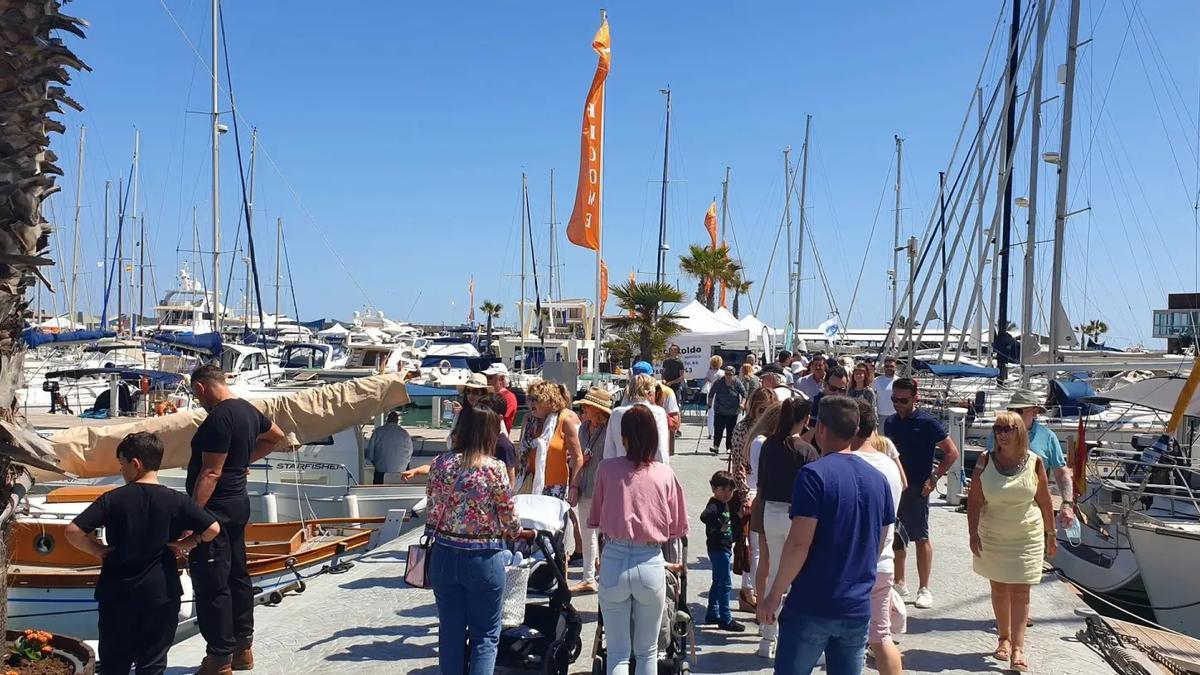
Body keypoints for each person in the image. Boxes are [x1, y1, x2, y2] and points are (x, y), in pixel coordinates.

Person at [758, 397, 895, 673]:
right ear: (857, 428)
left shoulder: (813, 475)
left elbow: (799, 543)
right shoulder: (878, 479)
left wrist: (774, 594)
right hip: (856, 605)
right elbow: (878, 542)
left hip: (813, 602)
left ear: (819, 428)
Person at [66, 432, 221, 675]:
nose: (121, 471)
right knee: (152, 663)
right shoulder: (176, 500)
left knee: (114, 663)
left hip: (117, 592)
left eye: (122, 465)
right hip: (161, 592)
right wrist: (187, 543)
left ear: (135, 464)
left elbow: (73, 531)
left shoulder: (113, 499)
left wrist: (99, 550)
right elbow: (212, 529)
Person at [187, 364, 285, 674]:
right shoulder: (247, 410)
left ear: (201, 387)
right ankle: (243, 649)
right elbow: (276, 437)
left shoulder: (219, 417)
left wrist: (193, 517)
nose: (197, 400)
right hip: (238, 503)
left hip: (215, 507)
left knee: (212, 581)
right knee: (237, 575)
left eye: (195, 394)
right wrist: (242, 461)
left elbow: (210, 472)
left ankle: (219, 658)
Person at [589, 405, 689, 675]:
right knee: (647, 653)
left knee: (618, 654)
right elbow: (677, 526)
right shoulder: (665, 474)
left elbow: (595, 517)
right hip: (650, 560)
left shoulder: (606, 470)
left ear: (624, 438)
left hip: (614, 558)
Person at [427, 407, 523, 675]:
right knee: (485, 636)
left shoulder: (439, 464)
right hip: (483, 557)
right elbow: (509, 517)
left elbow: (432, 512)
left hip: (444, 554)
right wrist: (518, 531)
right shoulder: (494, 468)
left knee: (450, 633)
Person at [968, 410, 1057, 673]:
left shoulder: (1035, 462)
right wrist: (972, 533)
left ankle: (1018, 647)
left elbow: (1044, 500)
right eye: (998, 428)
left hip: (1026, 534)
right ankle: (1003, 639)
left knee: (1021, 590)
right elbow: (974, 500)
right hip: (993, 533)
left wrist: (1051, 535)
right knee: (999, 588)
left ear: (1020, 432)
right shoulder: (985, 460)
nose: (1002, 433)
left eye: (1007, 429)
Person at [884, 377, 961, 610]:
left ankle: (924, 588)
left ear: (915, 398)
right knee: (896, 534)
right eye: (894, 399)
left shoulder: (928, 422)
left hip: (919, 485)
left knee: (921, 536)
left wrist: (934, 478)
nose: (898, 404)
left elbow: (952, 452)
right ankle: (899, 581)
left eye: (903, 400)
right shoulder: (890, 423)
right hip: (896, 485)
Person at [753, 397, 820, 658]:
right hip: (796, 516)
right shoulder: (807, 451)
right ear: (805, 420)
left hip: (771, 511)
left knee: (775, 574)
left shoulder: (769, 444)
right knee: (794, 577)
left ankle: (767, 638)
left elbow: (761, 484)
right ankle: (792, 639)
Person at [851, 401, 906, 675]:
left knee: (844, 640)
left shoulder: (846, 462)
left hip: (848, 566)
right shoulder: (890, 465)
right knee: (881, 636)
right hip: (883, 561)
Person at [993, 390, 1077, 527]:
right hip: (998, 514)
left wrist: (1067, 504)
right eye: (1011, 410)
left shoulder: (1048, 437)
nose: (1014, 414)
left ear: (1034, 412)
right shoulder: (998, 435)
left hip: (1034, 514)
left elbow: (1061, 473)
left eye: (1019, 410)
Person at [731, 388, 776, 611]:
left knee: (759, 547)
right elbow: (738, 463)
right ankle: (750, 592)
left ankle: (750, 591)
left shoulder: (774, 429)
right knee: (753, 547)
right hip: (750, 490)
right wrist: (743, 494)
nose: (763, 413)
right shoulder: (743, 428)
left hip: (769, 490)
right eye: (761, 408)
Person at [568, 387, 612, 594]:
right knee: (588, 534)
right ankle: (588, 577)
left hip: (606, 487)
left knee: (606, 534)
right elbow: (578, 459)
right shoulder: (583, 429)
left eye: (587, 406)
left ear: (598, 410)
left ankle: (606, 576)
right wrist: (574, 484)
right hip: (586, 485)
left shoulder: (612, 429)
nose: (583, 409)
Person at [516, 379, 584, 499]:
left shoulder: (564, 422)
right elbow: (521, 454)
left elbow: (578, 457)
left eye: (535, 399)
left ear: (549, 401)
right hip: (528, 484)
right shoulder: (528, 420)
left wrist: (574, 487)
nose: (531, 403)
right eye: (529, 399)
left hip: (555, 488)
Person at [701, 470, 746, 632]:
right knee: (725, 584)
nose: (727, 494)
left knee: (718, 582)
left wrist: (738, 517)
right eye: (723, 489)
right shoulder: (713, 505)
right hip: (718, 548)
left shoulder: (724, 505)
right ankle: (725, 618)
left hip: (723, 548)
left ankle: (712, 613)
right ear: (714, 488)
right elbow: (705, 517)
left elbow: (728, 522)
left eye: (730, 490)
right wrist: (719, 526)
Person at [603, 373, 670, 464]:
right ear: (651, 392)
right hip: (649, 470)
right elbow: (661, 449)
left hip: (620, 470)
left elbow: (609, 450)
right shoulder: (658, 412)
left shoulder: (616, 413)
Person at [364, 411, 414, 485]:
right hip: (401, 473)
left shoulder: (378, 431)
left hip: (381, 472)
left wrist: (373, 461)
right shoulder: (404, 433)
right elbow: (410, 453)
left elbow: (370, 454)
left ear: (387, 420)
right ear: (397, 421)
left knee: (377, 474)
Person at [708, 365, 746, 455]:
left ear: (734, 374)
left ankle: (729, 447)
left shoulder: (737, 382)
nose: (728, 376)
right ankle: (716, 446)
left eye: (730, 374)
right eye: (726, 374)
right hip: (720, 410)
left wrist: (742, 403)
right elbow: (711, 393)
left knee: (731, 430)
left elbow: (744, 394)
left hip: (733, 411)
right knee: (718, 429)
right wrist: (709, 404)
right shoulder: (719, 382)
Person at [483, 362, 518, 432]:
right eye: (486, 377)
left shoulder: (509, 397)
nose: (487, 380)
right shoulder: (488, 394)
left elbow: (501, 419)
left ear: (501, 379)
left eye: (490, 377)